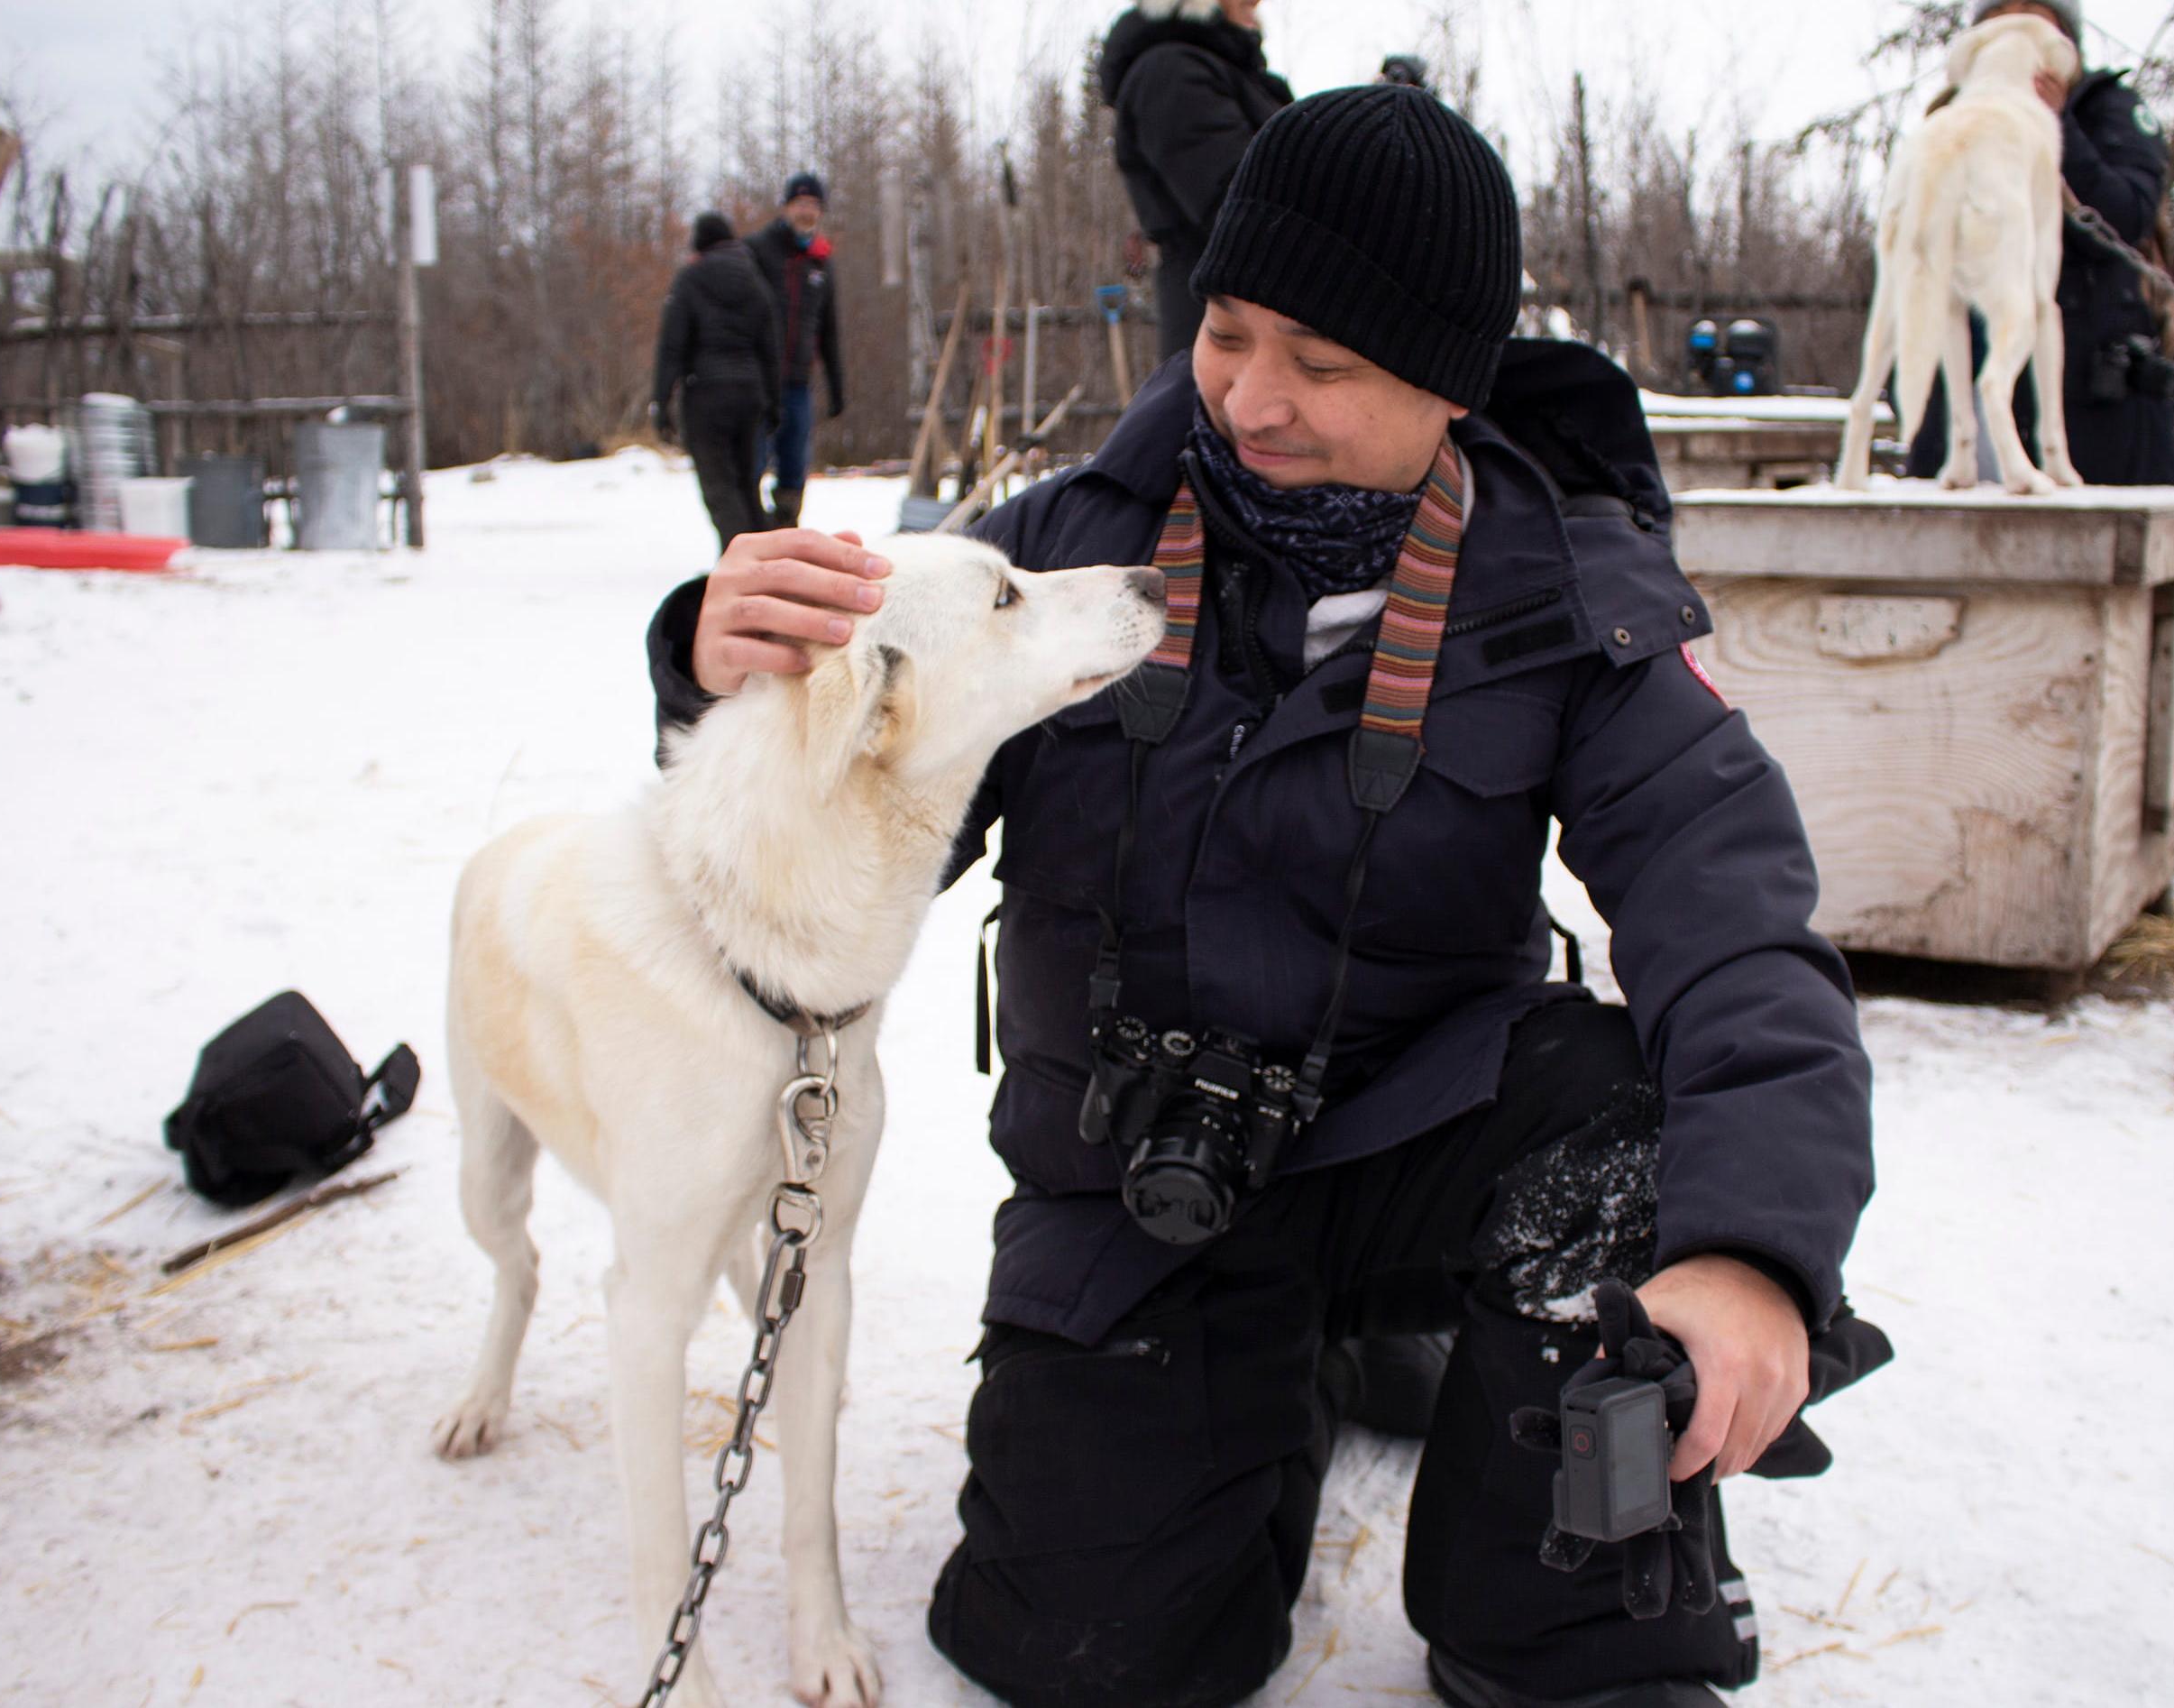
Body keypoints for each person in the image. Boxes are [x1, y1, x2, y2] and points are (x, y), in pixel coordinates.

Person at [649, 87, 1878, 1708]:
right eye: (1227, 333)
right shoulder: (1051, 562)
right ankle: (1278, 1364)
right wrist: (720, 674)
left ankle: (1555, 1619)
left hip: (1423, 1136)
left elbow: (1738, 930)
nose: (1250, 400)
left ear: (1448, 383)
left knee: (1627, 1152)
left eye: (1325, 361)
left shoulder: (1570, 588)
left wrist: (1752, 1251)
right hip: (1141, 1161)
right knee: (1090, 1652)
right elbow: (814, 854)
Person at [1903, 0, 2174, 485]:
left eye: (2032, 15)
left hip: (2090, 409)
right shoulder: (1951, 118)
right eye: (2001, 17)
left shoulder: (2109, 109)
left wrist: (2057, 127)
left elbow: (2123, 222)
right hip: (1964, 394)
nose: (2014, 31)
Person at [1098, 0, 1294, 365]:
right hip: (1223, 329)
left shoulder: (1227, 73)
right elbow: (1242, 208)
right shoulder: (1172, 74)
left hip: (1255, 321)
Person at [650, 211, 783, 553]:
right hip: (749, 394)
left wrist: (661, 401)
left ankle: (740, 563)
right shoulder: (755, 280)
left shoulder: (691, 279)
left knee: (719, 486)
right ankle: (763, 561)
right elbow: (770, 346)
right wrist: (774, 402)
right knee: (747, 485)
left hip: (706, 395)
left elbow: (672, 345)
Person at [744, 172, 846, 529]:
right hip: (757, 381)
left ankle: (786, 532)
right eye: (800, 204)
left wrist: (837, 387)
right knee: (753, 462)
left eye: (814, 206)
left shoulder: (820, 261)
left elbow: (829, 329)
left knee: (793, 464)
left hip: (797, 383)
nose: (807, 212)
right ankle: (749, 534)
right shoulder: (758, 250)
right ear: (786, 207)